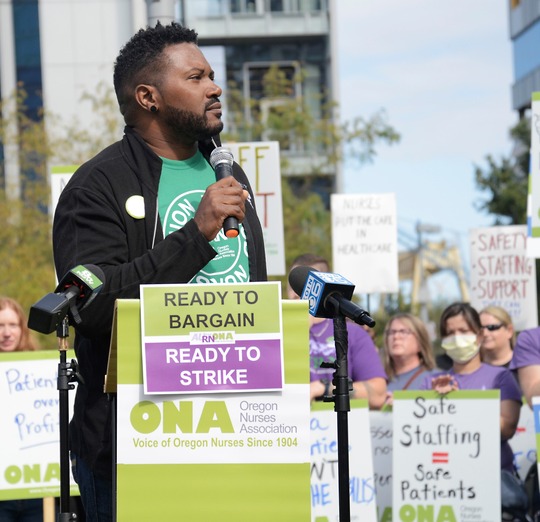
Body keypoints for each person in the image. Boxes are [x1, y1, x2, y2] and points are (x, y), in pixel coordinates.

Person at [52, 22, 266, 522]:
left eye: (211, 75)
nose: (214, 87)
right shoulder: (96, 187)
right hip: (137, 437)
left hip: (237, 427)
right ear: (148, 96)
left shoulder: (226, 171)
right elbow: (91, 303)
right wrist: (196, 235)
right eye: (196, 77)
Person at [421, 302, 521, 474]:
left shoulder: (500, 378)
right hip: (444, 478)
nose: (457, 338)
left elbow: (507, 429)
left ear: (480, 335)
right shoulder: (430, 383)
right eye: (450, 333)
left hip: (492, 477)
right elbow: (419, 432)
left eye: (463, 331)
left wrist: (459, 405)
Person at [287, 253, 387, 408]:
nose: (296, 293)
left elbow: (378, 394)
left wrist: (324, 387)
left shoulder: (353, 333)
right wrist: (296, 332)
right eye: (292, 286)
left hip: (338, 423)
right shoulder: (277, 334)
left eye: (303, 286)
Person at [0, 296, 43, 522]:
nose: (6, 333)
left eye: (12, 325)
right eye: (0, 325)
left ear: (22, 329)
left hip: (38, 491)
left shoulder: (41, 372)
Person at [381, 312, 437, 398]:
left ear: (420, 341)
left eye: (403, 332)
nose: (396, 336)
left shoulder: (435, 379)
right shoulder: (378, 380)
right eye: (392, 332)